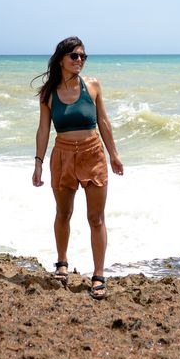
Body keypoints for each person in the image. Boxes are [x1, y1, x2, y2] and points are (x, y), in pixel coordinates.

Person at [32, 36, 123, 299]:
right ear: (61, 59)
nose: (79, 60)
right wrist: (38, 163)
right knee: (63, 213)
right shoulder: (48, 93)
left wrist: (114, 155)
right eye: (74, 56)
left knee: (96, 218)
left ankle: (98, 275)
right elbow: (42, 130)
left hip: (93, 154)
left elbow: (103, 121)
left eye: (83, 56)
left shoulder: (92, 85)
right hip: (62, 156)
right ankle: (62, 262)